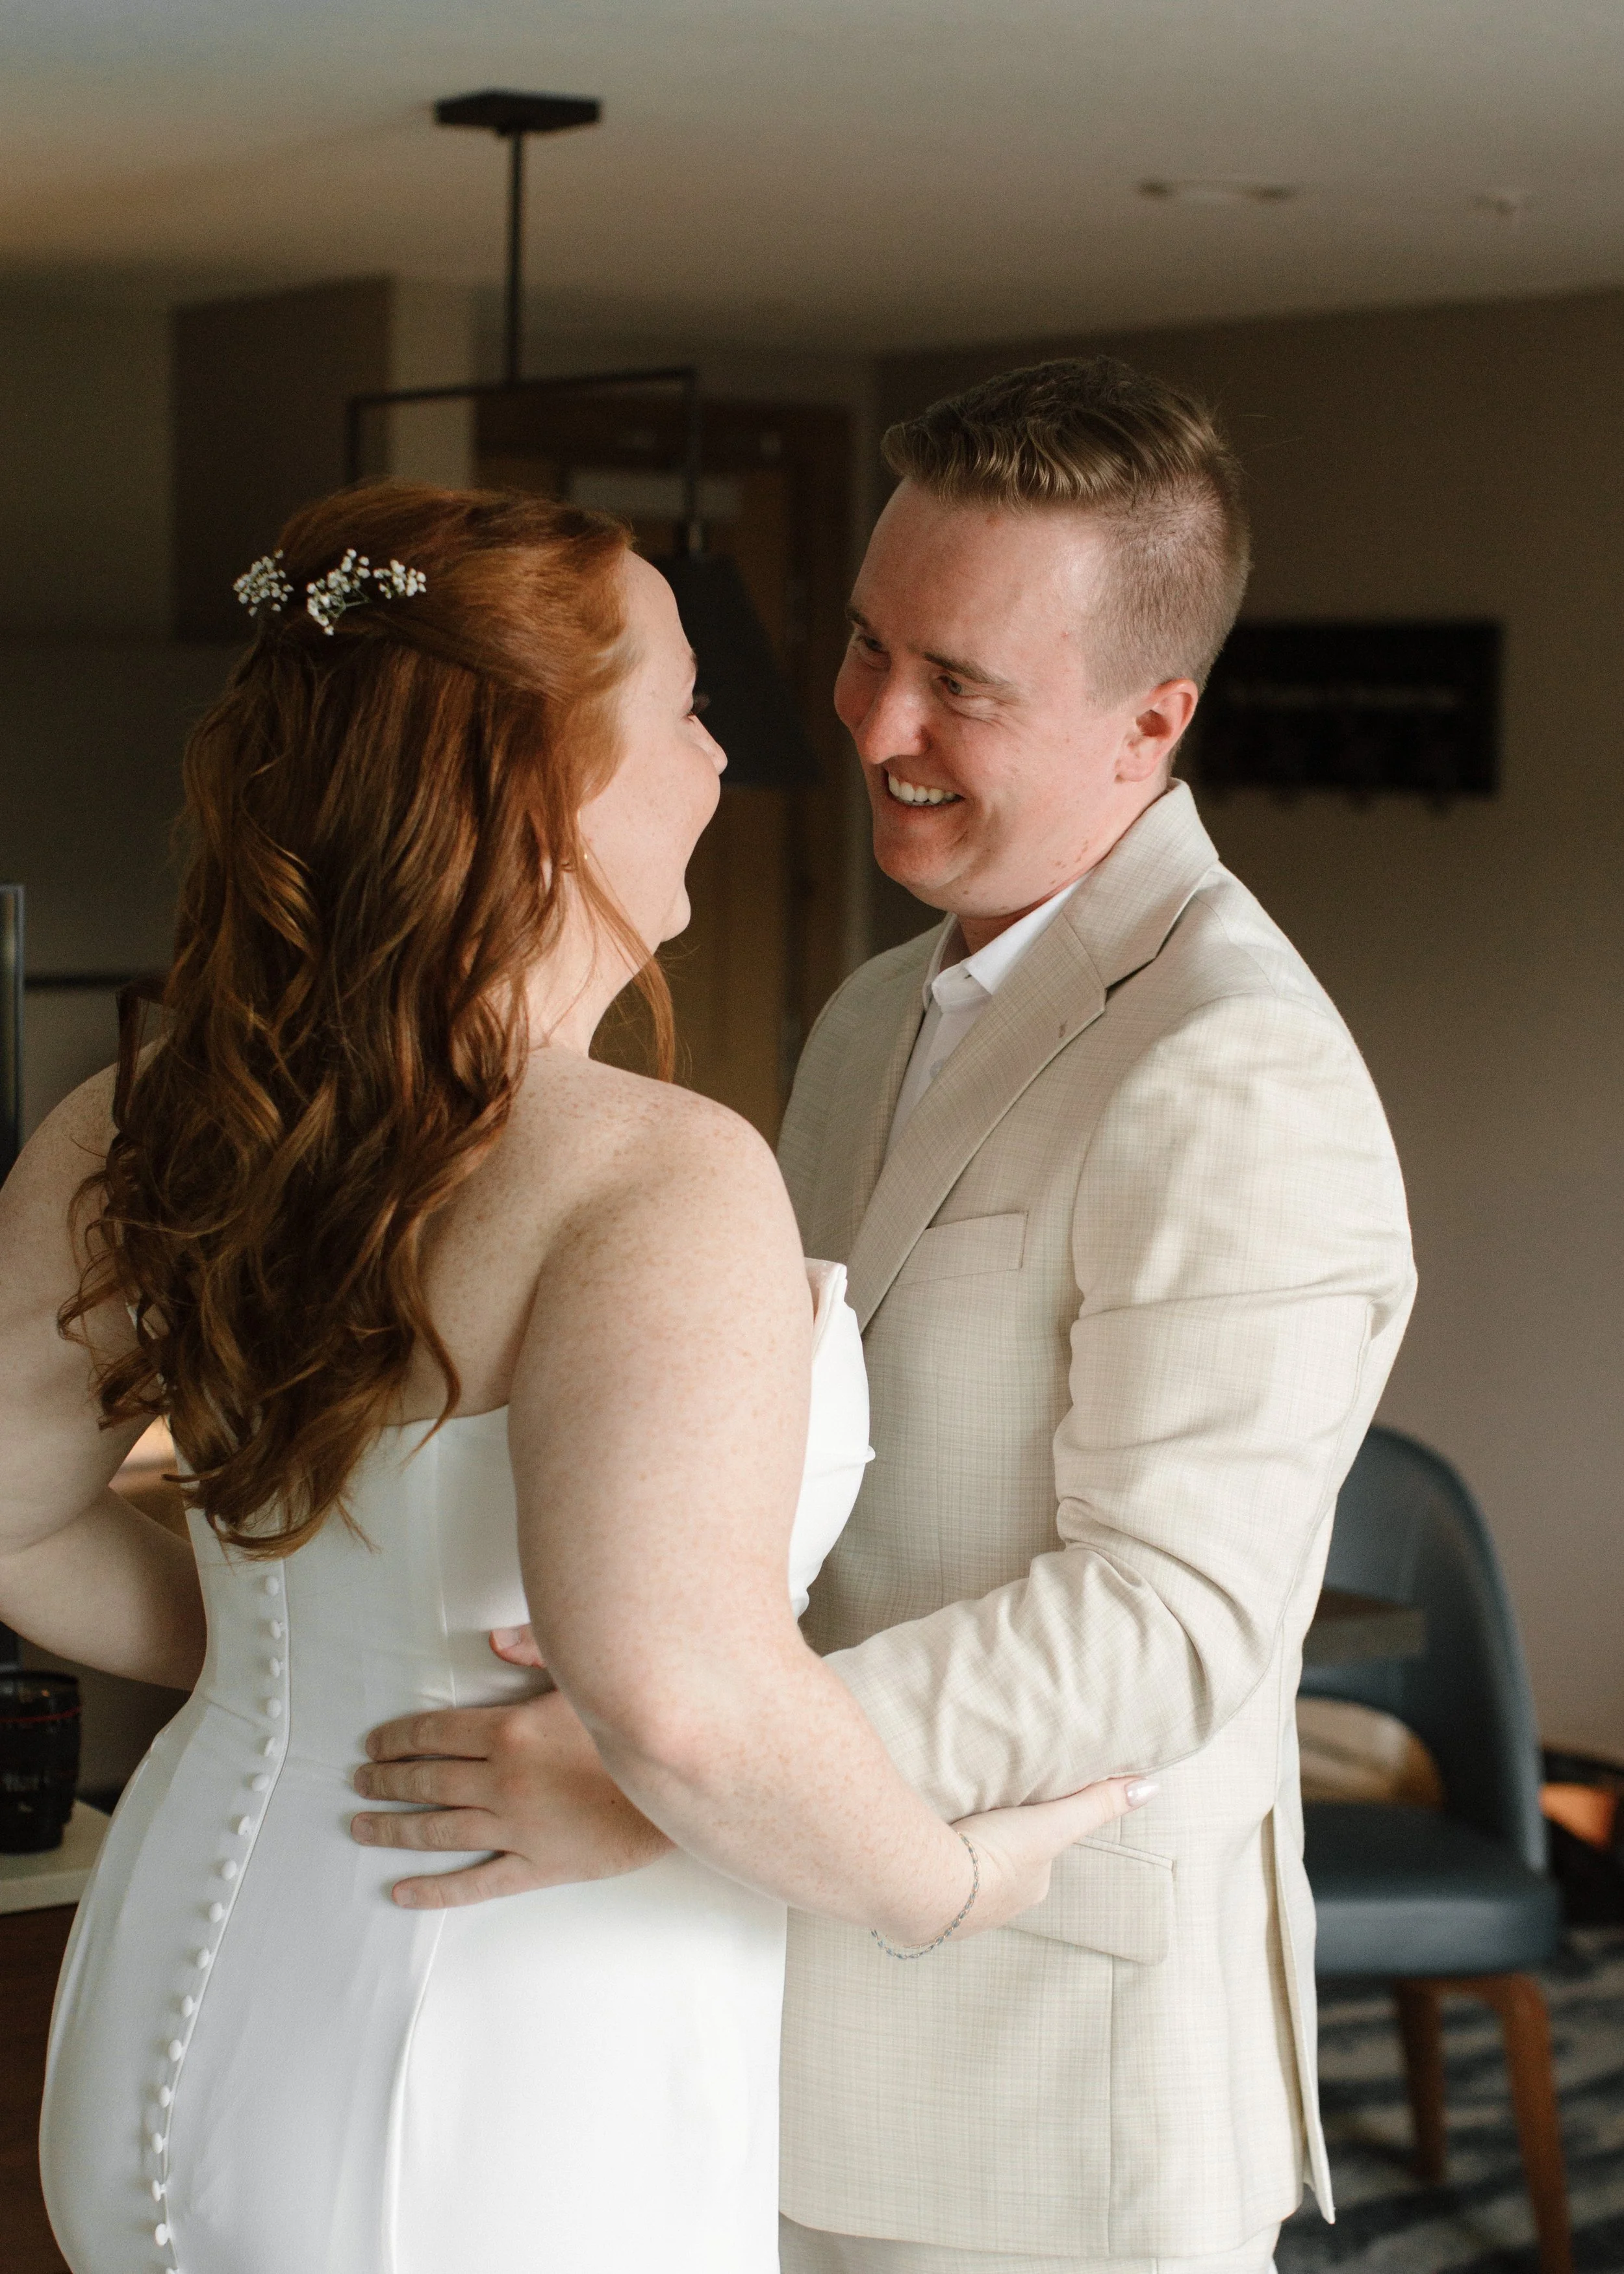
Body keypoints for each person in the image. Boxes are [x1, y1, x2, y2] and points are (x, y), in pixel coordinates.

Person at [0, 481, 1141, 2274]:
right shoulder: (651, 1176)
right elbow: (678, 1705)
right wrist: (952, 1881)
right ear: (542, 778)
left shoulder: (136, 1117)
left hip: (166, 1996)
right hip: (498, 2057)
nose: (722, 759)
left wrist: (309, 1659)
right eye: (686, 707)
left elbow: (11, 1526)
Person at [358, 361, 1417, 2274]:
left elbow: (1169, 1619)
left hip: (1043, 2082)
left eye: (961, 685)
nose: (873, 720)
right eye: (866, 644)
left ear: (1152, 720)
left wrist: (677, 1772)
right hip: (772, 2005)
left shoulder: (1233, 1063)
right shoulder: (867, 1017)